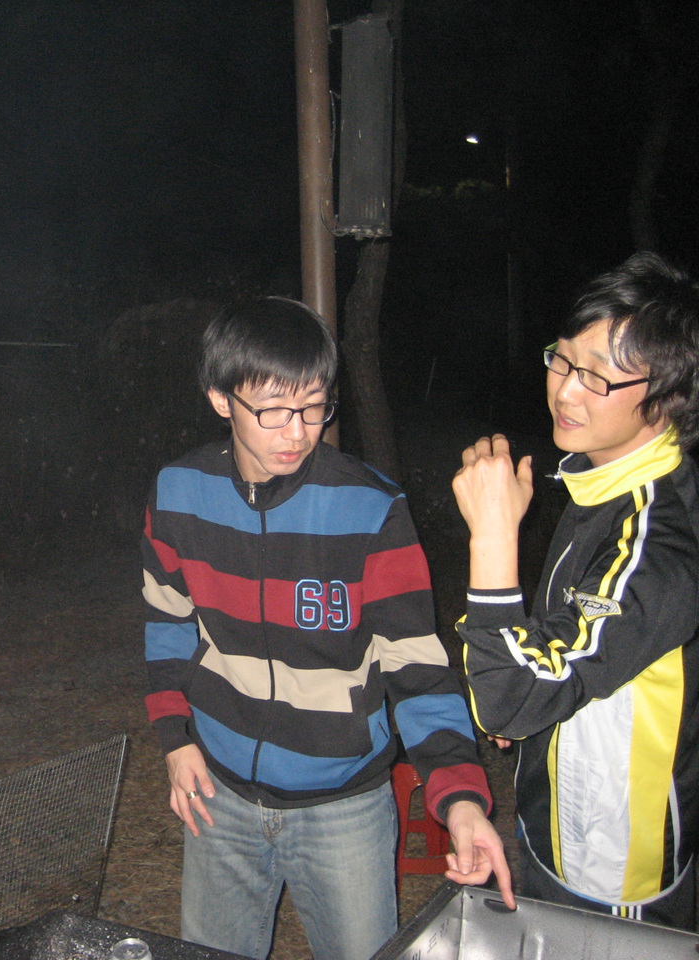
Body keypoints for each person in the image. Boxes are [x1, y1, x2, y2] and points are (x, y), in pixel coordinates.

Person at [142, 297, 512, 960]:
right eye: (274, 410)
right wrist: (175, 739)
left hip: (345, 807)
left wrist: (459, 796)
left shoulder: (370, 506)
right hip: (220, 795)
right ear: (221, 400)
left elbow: (417, 667)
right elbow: (166, 621)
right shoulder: (178, 493)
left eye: (314, 407)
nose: (298, 432)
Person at [453, 251, 699, 928]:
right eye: (562, 360)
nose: (566, 391)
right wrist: (529, 702)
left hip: (615, 864)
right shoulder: (603, 482)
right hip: (557, 818)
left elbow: (507, 702)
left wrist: (493, 537)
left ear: (667, 395)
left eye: (598, 376)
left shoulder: (658, 542)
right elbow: (563, 652)